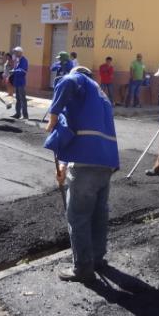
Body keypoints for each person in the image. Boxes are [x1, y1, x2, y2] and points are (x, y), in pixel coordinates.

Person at [44, 67, 119, 283]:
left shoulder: (79, 80)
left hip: (85, 163)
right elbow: (79, 128)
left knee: (77, 217)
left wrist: (53, 116)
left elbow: (67, 81)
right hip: (106, 162)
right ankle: (97, 259)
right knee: (98, 215)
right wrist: (63, 166)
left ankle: (83, 268)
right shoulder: (100, 96)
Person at [10, 46, 29, 119]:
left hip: (21, 82)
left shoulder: (24, 60)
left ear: (20, 53)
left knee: (22, 99)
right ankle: (17, 113)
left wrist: (14, 71)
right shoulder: (17, 60)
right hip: (17, 81)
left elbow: (23, 71)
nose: (14, 53)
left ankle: (25, 115)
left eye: (16, 52)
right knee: (18, 98)